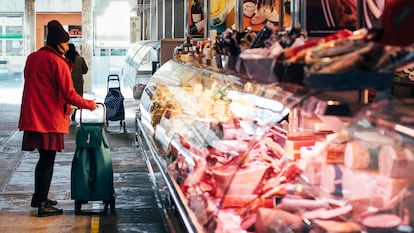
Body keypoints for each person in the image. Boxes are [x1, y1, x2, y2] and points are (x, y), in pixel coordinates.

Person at [18, 20, 97, 217]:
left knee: (43, 159)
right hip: (48, 118)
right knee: (48, 160)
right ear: (56, 43)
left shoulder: (32, 58)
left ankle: (39, 197)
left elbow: (36, 82)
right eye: (65, 43)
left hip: (33, 116)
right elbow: (69, 93)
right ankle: (43, 204)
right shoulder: (58, 63)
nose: (67, 46)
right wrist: (89, 105)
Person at [65, 43, 88, 125]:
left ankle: (67, 115)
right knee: (77, 100)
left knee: (67, 99)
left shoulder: (64, 60)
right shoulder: (80, 59)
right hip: (78, 83)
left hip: (67, 83)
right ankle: (74, 115)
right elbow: (85, 70)